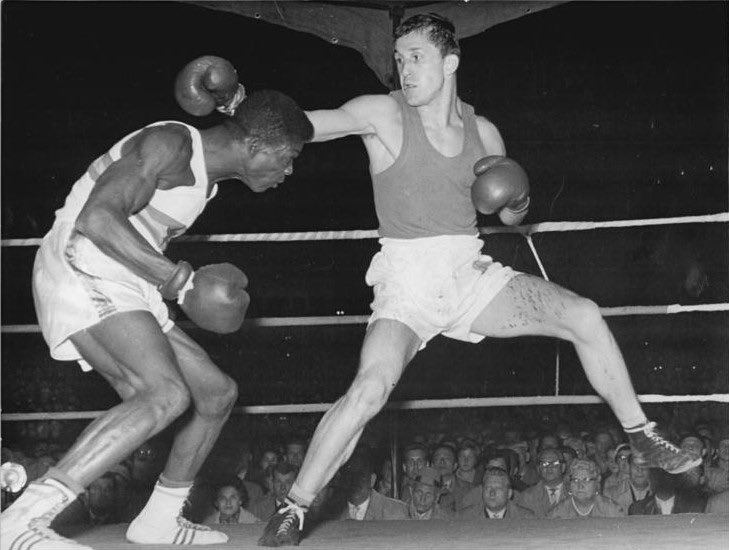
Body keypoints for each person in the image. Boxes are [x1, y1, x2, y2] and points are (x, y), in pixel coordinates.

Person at [258, 13, 701, 546]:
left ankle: (643, 435)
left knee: (583, 314)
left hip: (470, 274)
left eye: (415, 57)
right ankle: (296, 507)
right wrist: (244, 107)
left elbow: (512, 217)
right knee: (370, 388)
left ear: (449, 62)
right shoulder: (380, 113)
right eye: (398, 59)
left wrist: (517, 197)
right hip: (407, 281)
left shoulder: (483, 131)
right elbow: (308, 125)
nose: (404, 69)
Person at [0, 56, 313, 550]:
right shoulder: (172, 144)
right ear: (254, 145)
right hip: (85, 259)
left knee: (215, 393)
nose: (288, 170)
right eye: (288, 156)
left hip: (126, 277)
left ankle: (159, 520)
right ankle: (21, 519)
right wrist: (179, 282)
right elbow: (98, 219)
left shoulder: (205, 176)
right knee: (162, 394)